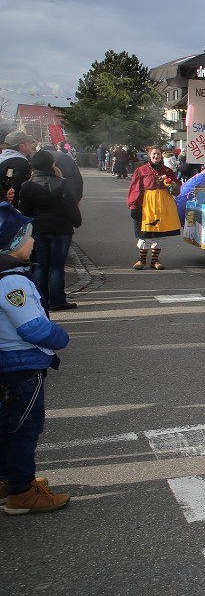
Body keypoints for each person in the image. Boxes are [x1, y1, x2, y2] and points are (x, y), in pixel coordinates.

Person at [0, 202, 71, 514]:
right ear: (14, 243)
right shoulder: (12, 281)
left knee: (8, 427)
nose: (33, 242)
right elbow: (33, 328)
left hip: (11, 365)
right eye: (29, 237)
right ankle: (22, 492)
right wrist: (61, 337)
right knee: (24, 429)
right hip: (21, 366)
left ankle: (10, 480)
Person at [17, 151, 81, 310]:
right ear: (52, 164)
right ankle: (58, 299)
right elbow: (70, 206)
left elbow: (24, 211)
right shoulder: (61, 183)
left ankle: (41, 298)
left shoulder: (27, 186)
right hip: (61, 229)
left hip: (38, 229)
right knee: (57, 266)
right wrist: (76, 222)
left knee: (40, 265)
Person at [127, 146, 181, 270]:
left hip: (163, 204)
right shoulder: (141, 170)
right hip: (146, 204)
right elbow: (135, 188)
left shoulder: (167, 171)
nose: (156, 156)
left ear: (161, 155)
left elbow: (176, 187)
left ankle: (155, 261)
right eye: (154, 154)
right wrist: (134, 205)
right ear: (150, 155)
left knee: (159, 234)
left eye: (158, 154)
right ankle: (141, 260)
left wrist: (173, 187)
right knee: (145, 233)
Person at [0, 131, 36, 203]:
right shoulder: (21, 164)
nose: (32, 144)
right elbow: (16, 190)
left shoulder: (6, 160)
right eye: (29, 142)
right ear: (22, 146)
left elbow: (8, 182)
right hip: (12, 209)